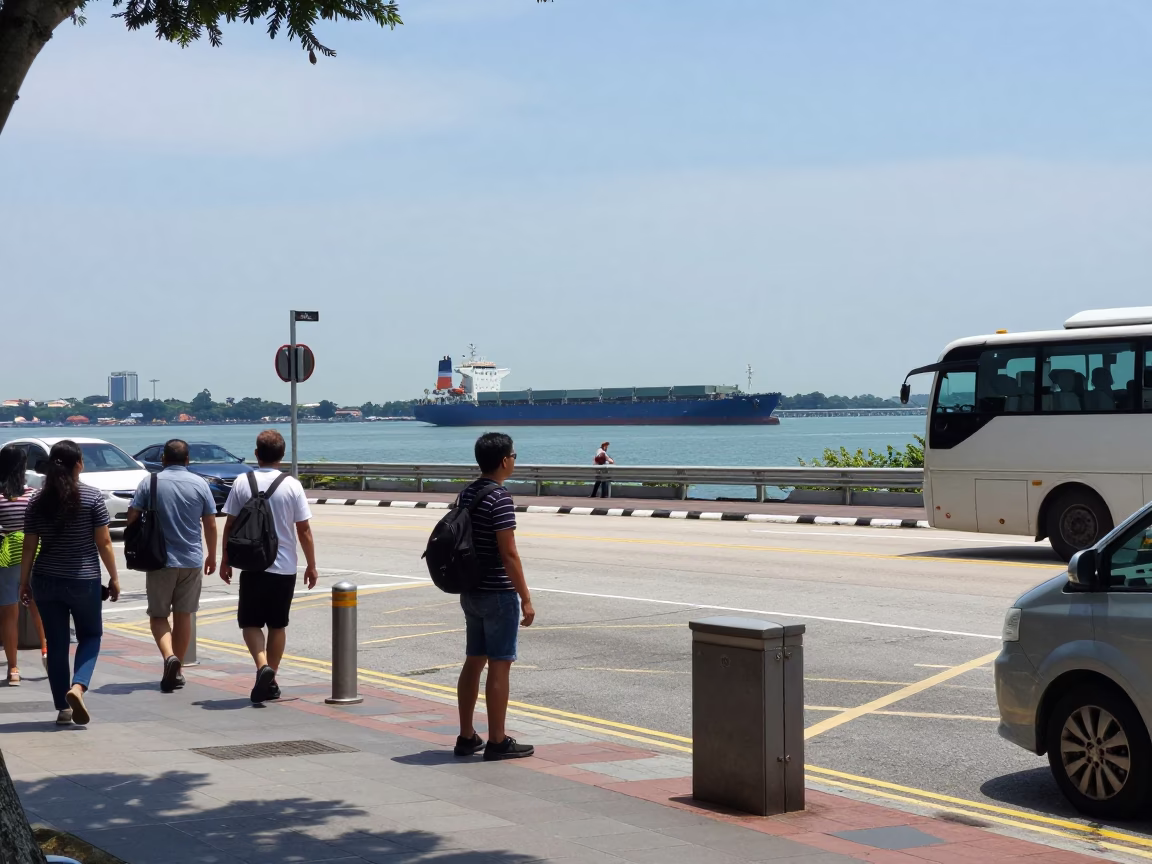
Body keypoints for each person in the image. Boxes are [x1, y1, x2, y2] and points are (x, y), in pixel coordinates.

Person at [19, 440, 120, 725]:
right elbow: (104, 542)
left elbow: (29, 546)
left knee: (57, 642)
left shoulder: (37, 500)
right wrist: (114, 576)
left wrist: (24, 582)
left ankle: (63, 709)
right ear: (78, 464)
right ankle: (78, 686)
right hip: (83, 579)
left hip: (45, 580)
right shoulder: (92, 496)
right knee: (91, 636)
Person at [455, 432, 535, 761]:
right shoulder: (500, 498)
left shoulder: (467, 494)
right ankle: (497, 740)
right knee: (500, 666)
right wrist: (526, 598)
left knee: (474, 660)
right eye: (514, 455)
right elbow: (509, 554)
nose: (515, 460)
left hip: (470, 590)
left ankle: (466, 736)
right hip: (498, 594)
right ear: (504, 461)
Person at [220, 429, 316, 703]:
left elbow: (230, 524)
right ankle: (270, 676)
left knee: (250, 622)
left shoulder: (242, 481)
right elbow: (304, 529)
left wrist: (225, 559)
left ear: (256, 454)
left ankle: (261, 665)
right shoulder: (292, 485)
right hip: (283, 567)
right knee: (277, 625)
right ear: (282, 455)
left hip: (251, 564)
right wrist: (311, 565)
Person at [126, 439, 218, 692]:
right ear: (188, 460)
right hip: (191, 559)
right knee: (184, 614)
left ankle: (169, 658)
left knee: (158, 615)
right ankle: (178, 668)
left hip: (159, 560)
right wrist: (212, 555)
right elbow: (210, 523)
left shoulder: (150, 482)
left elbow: (133, 515)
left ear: (163, 459)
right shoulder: (200, 484)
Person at [0, 445, 46, 685]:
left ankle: (14, 669)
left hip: (6, 558)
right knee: (39, 608)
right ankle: (47, 654)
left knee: (9, 614)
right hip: (34, 554)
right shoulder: (34, 495)